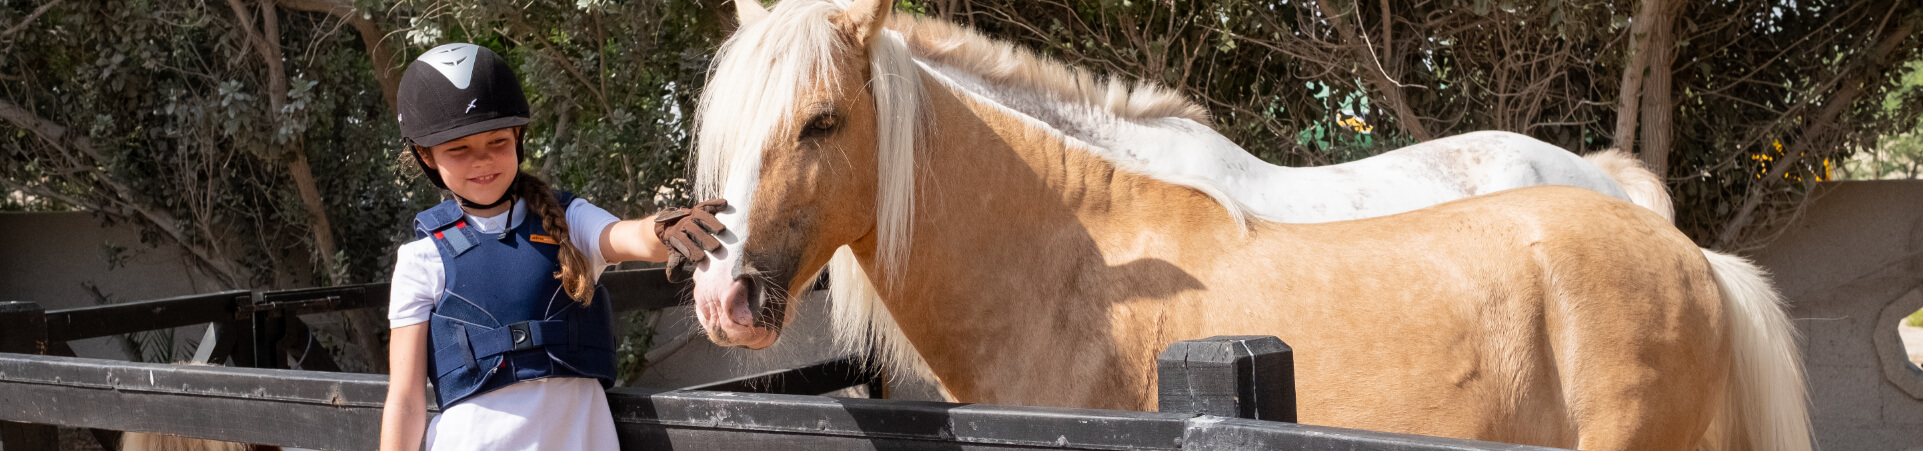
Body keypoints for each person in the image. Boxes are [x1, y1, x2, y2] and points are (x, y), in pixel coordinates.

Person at [377, 43, 724, 450]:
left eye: (497, 141)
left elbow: (624, 237)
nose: (483, 160)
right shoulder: (421, 260)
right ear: (426, 156)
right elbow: (404, 400)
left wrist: (664, 230)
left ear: (519, 137)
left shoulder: (568, 220)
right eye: (459, 149)